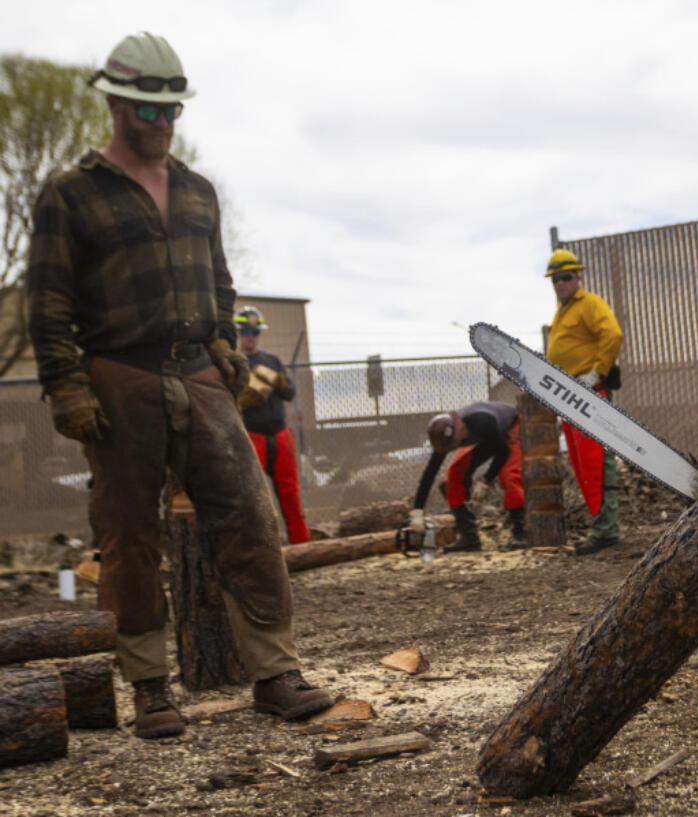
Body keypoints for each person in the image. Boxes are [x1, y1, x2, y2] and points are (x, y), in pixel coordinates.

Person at [25, 32, 333, 739]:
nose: (161, 124)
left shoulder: (198, 192)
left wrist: (223, 342)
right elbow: (48, 305)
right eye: (146, 110)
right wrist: (68, 387)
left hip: (198, 369)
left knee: (251, 518)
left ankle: (275, 672)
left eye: (171, 111)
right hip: (120, 373)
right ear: (115, 102)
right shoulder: (70, 195)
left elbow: (219, 280)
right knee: (129, 536)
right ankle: (150, 687)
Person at [543, 249, 623, 555]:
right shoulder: (562, 312)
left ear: (578, 277)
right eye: (557, 279)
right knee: (581, 463)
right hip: (570, 396)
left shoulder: (589, 304)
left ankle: (606, 530)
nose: (562, 284)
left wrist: (595, 374)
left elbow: (613, 334)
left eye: (567, 277)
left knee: (596, 460)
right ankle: (600, 526)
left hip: (589, 393)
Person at [234, 305, 310, 544]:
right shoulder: (236, 363)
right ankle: (261, 546)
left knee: (289, 492)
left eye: (255, 333)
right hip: (251, 435)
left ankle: (300, 542)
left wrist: (278, 383)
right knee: (254, 496)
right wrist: (244, 396)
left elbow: (290, 393)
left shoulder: (272, 360)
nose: (250, 337)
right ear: (239, 333)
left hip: (280, 434)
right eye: (246, 332)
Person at [408, 402, 525, 552]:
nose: (456, 446)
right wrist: (417, 510)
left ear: (460, 427)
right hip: (488, 437)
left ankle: (521, 532)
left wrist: (486, 480)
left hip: (511, 427)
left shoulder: (482, 422)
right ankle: (468, 536)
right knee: (455, 474)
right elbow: (429, 474)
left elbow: (503, 451)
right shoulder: (445, 437)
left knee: (509, 474)